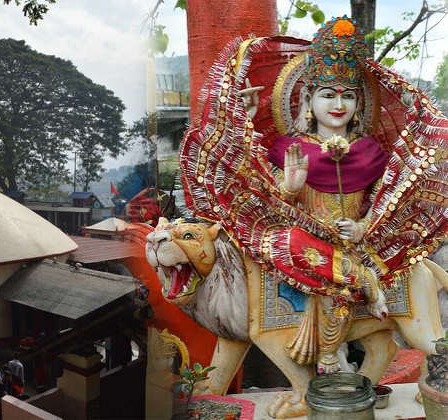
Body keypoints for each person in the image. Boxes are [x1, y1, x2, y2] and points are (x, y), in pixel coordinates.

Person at [180, 15, 448, 375]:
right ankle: (357, 291)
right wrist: (289, 187)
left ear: (358, 104)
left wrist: (365, 226)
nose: (339, 104)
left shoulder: (370, 150)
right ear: (308, 99)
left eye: (348, 95)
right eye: (328, 94)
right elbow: (267, 201)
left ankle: (335, 351)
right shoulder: (289, 149)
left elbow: (380, 203)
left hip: (356, 244)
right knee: (284, 240)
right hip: (306, 244)